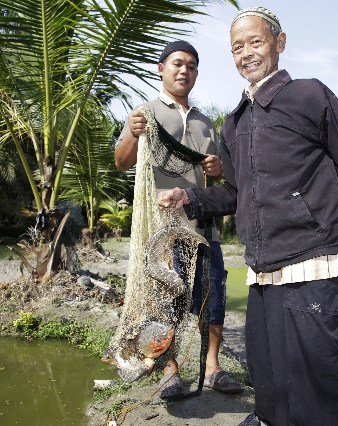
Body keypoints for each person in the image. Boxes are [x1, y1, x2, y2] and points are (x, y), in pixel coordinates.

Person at [157, 7, 338, 426]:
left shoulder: (309, 94)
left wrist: (319, 219)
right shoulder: (234, 122)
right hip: (262, 268)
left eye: (255, 42)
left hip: (312, 262)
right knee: (266, 366)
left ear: (279, 42)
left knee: (316, 373)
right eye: (237, 47)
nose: (246, 54)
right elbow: (236, 193)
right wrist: (190, 197)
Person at [115, 40, 244, 398]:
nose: (184, 70)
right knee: (163, 305)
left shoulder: (205, 123)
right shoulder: (145, 112)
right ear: (161, 68)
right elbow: (122, 161)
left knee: (212, 299)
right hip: (161, 234)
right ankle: (170, 371)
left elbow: (216, 177)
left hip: (204, 230)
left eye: (191, 65)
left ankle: (213, 367)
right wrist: (131, 130)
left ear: (197, 73)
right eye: (177, 63)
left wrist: (217, 168)